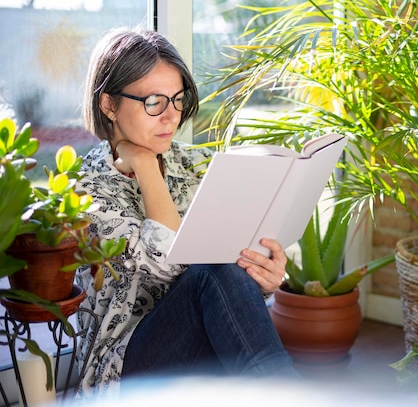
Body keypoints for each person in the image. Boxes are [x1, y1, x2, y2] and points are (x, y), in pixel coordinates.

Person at [75, 26, 299, 400]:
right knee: (210, 266)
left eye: (177, 99)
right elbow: (173, 263)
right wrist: (146, 167)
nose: (171, 117)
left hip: (205, 345)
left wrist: (263, 277)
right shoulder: (87, 190)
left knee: (221, 267)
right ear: (109, 105)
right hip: (124, 368)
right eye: (153, 103)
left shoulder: (199, 165)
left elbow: (225, 282)